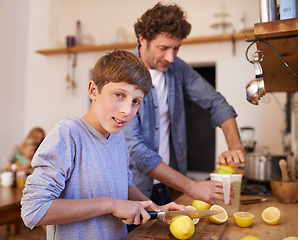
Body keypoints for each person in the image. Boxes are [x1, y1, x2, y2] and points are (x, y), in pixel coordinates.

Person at [21, 50, 185, 240]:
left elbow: (125, 184)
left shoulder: (118, 137)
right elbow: (34, 210)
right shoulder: (68, 134)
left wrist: (154, 208)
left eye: (135, 102)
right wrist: (112, 204)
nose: (126, 111)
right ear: (93, 91)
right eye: (119, 95)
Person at [122, 2, 246, 206]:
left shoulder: (177, 68)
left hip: (168, 188)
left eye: (176, 48)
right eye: (163, 48)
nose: (170, 57)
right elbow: (135, 150)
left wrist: (235, 147)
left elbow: (215, 101)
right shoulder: (124, 74)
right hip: (132, 192)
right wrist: (192, 186)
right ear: (142, 39)